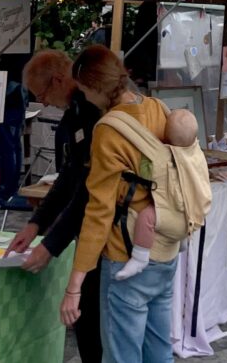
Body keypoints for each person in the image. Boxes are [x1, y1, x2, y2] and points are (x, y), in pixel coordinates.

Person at [60, 45, 184, 362]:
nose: (85, 98)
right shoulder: (157, 108)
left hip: (124, 255)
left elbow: (99, 212)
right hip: (165, 247)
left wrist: (75, 283)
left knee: (121, 354)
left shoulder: (108, 130)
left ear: (96, 87)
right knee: (158, 349)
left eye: (85, 90)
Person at [11, 49, 103, 363]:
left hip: (107, 232)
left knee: (98, 323)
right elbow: (68, 177)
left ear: (59, 79)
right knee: (89, 324)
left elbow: (87, 190)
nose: (44, 102)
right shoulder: (73, 112)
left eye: (43, 94)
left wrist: (50, 245)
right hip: (91, 229)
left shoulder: (92, 111)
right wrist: (36, 223)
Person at [115, 109, 199, 281]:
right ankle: (183, 239)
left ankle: (139, 257)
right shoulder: (195, 155)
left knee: (146, 217)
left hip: (168, 205)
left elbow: (147, 175)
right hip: (187, 205)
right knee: (181, 222)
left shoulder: (163, 156)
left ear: (166, 136)